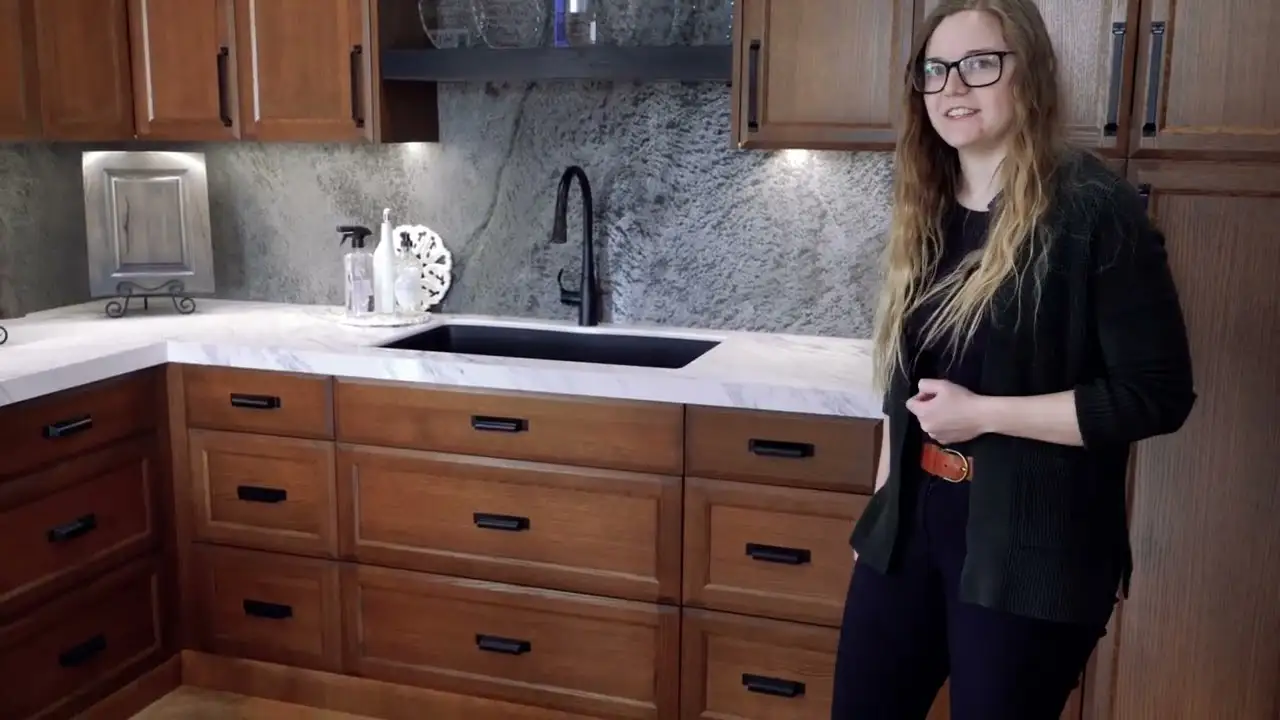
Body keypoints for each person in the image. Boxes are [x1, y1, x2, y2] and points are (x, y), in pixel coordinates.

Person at [830, 1, 1197, 718]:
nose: (952, 87)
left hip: (1033, 551)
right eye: (935, 70)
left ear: (1031, 74)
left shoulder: (1094, 211)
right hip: (909, 532)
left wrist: (985, 415)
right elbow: (902, 391)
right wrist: (882, 515)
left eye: (980, 64)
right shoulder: (926, 206)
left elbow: (1156, 394)